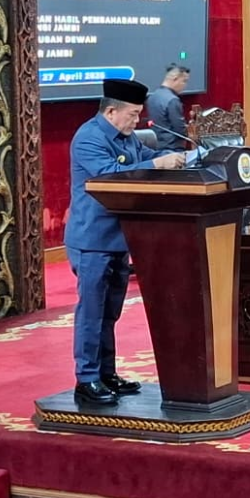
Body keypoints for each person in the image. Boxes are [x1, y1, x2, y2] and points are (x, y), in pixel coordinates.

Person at [65, 79, 186, 405]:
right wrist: (155, 164)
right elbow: (110, 176)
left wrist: (174, 157)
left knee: (110, 313)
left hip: (119, 238)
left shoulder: (127, 137)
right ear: (111, 112)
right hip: (92, 238)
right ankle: (86, 379)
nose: (137, 120)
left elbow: (147, 156)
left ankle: (106, 374)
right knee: (92, 312)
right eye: (132, 114)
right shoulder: (89, 137)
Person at [144, 63, 191, 150]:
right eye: (184, 81)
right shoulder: (172, 100)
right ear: (175, 78)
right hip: (173, 149)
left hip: (155, 146)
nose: (185, 85)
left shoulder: (152, 97)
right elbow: (180, 130)